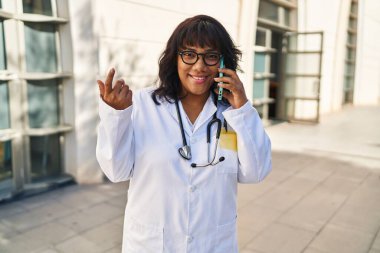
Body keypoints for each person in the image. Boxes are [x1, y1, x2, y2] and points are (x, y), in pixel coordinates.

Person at [96, 15, 271, 253]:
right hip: (153, 245)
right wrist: (117, 116)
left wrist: (243, 110)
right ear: (174, 59)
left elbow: (256, 172)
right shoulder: (143, 105)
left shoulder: (233, 114)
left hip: (213, 244)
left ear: (222, 63)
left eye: (210, 56)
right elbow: (116, 171)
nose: (199, 66)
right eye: (189, 54)